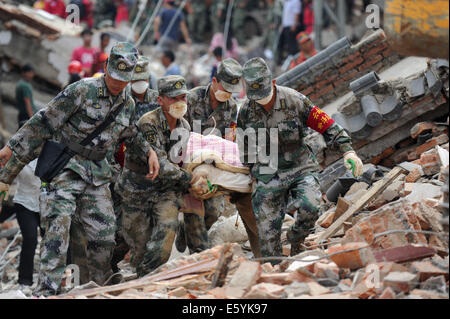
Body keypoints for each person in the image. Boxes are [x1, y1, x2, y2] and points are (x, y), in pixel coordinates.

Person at [0, 42, 160, 296]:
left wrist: (150, 152)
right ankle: (47, 290)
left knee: (105, 234)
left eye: (124, 79)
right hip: (65, 168)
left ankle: (97, 286)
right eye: (114, 76)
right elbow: (44, 120)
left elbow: (131, 134)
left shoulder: (126, 103)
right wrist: (12, 146)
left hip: (96, 174)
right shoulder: (82, 90)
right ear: (105, 67)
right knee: (58, 228)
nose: (118, 83)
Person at [237, 57, 363, 259]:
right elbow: (245, 148)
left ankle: (296, 239)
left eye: (263, 94)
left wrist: (348, 150)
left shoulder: (295, 100)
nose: (260, 99)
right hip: (268, 173)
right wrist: (253, 174)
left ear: (273, 82)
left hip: (299, 167)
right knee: (267, 237)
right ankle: (277, 275)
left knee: (311, 207)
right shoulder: (245, 112)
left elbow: (327, 125)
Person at [184, 58, 261, 257]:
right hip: (188, 161)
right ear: (214, 80)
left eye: (231, 90)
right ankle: (196, 253)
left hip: (213, 165)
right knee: (194, 211)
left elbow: (229, 141)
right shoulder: (191, 99)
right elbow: (180, 134)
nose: (226, 93)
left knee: (212, 212)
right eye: (224, 87)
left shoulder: (230, 107)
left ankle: (190, 236)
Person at [134, 75, 195, 276]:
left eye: (183, 98)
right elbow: (160, 162)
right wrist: (188, 178)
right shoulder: (148, 122)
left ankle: (143, 283)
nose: (180, 103)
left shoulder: (184, 127)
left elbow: (181, 160)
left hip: (166, 191)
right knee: (129, 245)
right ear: (160, 100)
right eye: (174, 98)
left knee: (162, 244)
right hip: (137, 190)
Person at [111, 55, 160, 272]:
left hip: (152, 172)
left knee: (148, 225)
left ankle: (143, 270)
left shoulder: (157, 101)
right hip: (122, 171)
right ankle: (109, 265)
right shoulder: (120, 100)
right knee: (120, 227)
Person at [0, 159, 41, 295]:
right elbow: (5, 178)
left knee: (53, 241)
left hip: (48, 203)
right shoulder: (21, 153)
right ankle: (24, 281)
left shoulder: (51, 149)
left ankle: (52, 280)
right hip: (24, 202)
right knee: (30, 239)